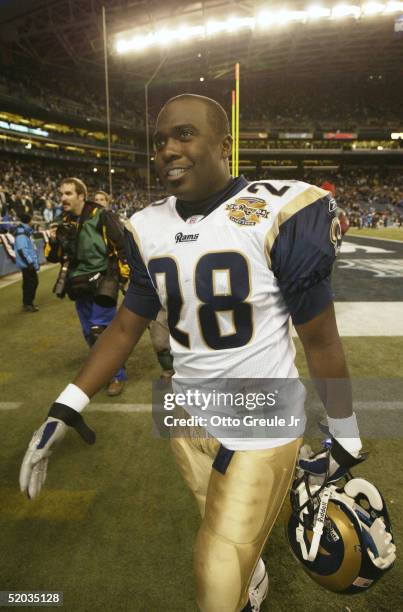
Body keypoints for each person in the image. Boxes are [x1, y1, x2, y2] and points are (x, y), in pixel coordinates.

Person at [20, 95, 366, 612]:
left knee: (215, 587)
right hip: (185, 414)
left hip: (260, 422)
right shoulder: (147, 226)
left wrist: (346, 431)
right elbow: (126, 324)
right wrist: (67, 404)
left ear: (223, 144)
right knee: (212, 515)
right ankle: (253, 575)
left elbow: (319, 338)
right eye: (160, 140)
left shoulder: (279, 210)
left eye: (184, 134)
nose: (167, 149)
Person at [45, 177, 129, 396]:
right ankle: (105, 369)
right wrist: (53, 240)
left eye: (68, 194)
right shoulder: (61, 220)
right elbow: (53, 257)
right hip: (78, 283)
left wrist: (123, 277)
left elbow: (121, 245)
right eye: (61, 194)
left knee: (100, 330)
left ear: (81, 196)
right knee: (88, 333)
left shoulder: (101, 215)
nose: (62, 198)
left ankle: (116, 375)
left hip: (103, 280)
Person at [14, 213, 40, 312]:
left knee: (28, 283)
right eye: (32, 220)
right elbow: (22, 250)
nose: (32, 222)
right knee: (32, 283)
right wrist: (30, 263)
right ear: (29, 221)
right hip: (27, 264)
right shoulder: (22, 233)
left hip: (27, 264)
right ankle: (28, 304)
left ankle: (27, 303)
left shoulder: (24, 232)